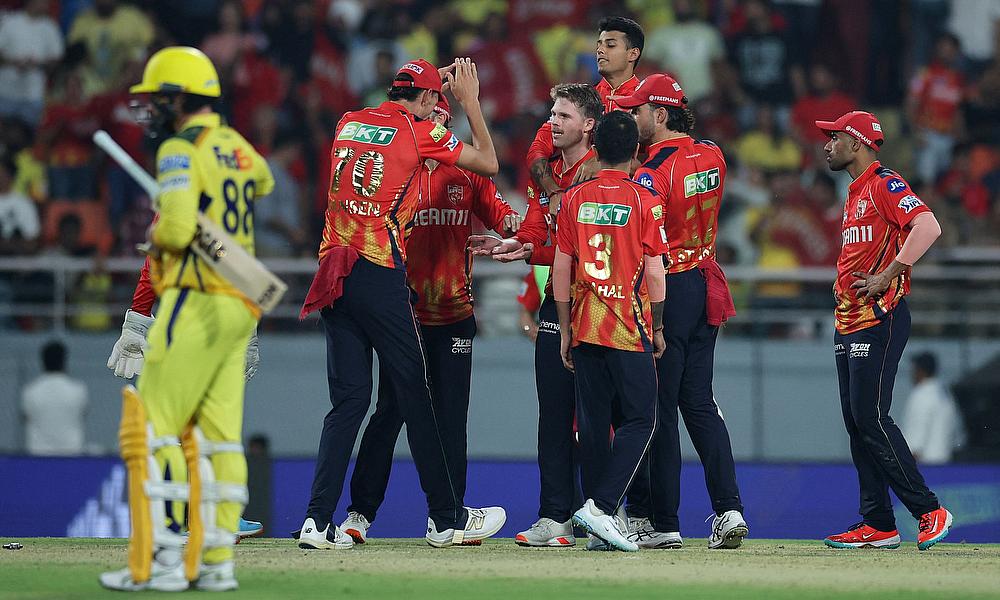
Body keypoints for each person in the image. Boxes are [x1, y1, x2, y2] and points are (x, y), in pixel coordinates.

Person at [296, 57, 505, 550]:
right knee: (415, 393)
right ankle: (446, 519)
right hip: (378, 272)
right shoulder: (419, 131)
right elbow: (489, 162)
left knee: (349, 403)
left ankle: (316, 522)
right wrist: (471, 103)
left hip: (333, 273)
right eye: (436, 99)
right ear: (429, 99)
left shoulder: (348, 122)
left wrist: (430, 90)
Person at [100, 46, 274, 592]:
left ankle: (161, 562)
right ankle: (216, 563)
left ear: (179, 99)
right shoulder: (238, 147)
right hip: (240, 307)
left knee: (153, 429)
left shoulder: (179, 149)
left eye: (158, 100)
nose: (152, 110)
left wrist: (162, 228)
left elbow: (175, 232)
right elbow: (263, 181)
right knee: (221, 438)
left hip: (193, 302)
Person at [338, 95, 521, 544]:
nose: (436, 120)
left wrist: (526, 226)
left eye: (442, 115)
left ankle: (449, 517)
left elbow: (506, 220)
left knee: (451, 421)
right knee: (389, 414)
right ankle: (358, 516)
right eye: (430, 114)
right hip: (404, 316)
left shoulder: (467, 174)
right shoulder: (399, 171)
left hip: (455, 316)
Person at [617, 73, 748, 550]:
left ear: (660, 114)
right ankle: (729, 510)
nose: (631, 119)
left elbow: (646, 240)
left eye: (637, 111)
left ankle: (664, 523)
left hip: (668, 288)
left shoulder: (652, 173)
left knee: (661, 408)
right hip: (704, 281)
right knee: (700, 402)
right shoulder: (712, 154)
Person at [814, 110, 953, 551]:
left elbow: (928, 226)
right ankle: (878, 523)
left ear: (856, 143)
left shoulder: (884, 183)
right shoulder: (855, 191)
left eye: (835, 138)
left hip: (880, 316)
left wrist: (888, 274)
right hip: (849, 318)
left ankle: (929, 511)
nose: (827, 145)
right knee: (858, 423)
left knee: (871, 416)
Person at [473, 83, 603, 548]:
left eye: (564, 115)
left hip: (597, 305)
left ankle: (604, 514)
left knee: (595, 419)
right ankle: (554, 517)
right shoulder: (547, 172)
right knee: (552, 414)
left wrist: (535, 249)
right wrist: (516, 243)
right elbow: (536, 227)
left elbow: (580, 247)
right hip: (556, 303)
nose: (553, 122)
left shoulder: (600, 175)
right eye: (552, 114)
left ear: (588, 125)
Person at [552, 110, 667, 552]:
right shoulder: (644, 200)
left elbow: (561, 267)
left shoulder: (573, 199)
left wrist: (565, 329)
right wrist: (658, 326)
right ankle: (601, 509)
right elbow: (654, 271)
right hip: (628, 326)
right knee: (642, 419)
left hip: (584, 324)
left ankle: (602, 524)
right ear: (636, 151)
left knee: (594, 426)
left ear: (595, 148)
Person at [526, 16, 644, 194]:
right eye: (599, 45)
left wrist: (604, 164)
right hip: (575, 199)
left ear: (633, 54)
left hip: (627, 199)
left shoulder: (646, 103)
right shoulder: (581, 100)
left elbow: (656, 165)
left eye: (610, 45)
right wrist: (553, 192)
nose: (600, 50)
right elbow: (538, 149)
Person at [21, 340, 88, 455]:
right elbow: (83, 414)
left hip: (38, 453)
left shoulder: (30, 391)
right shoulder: (78, 390)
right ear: (64, 361)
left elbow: (26, 417)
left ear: (43, 361)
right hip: (71, 452)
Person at [900, 352, 965, 464]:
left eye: (914, 369)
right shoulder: (946, 395)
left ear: (920, 371)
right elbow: (958, 437)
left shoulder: (921, 395)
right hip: (945, 463)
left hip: (924, 465)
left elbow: (915, 442)